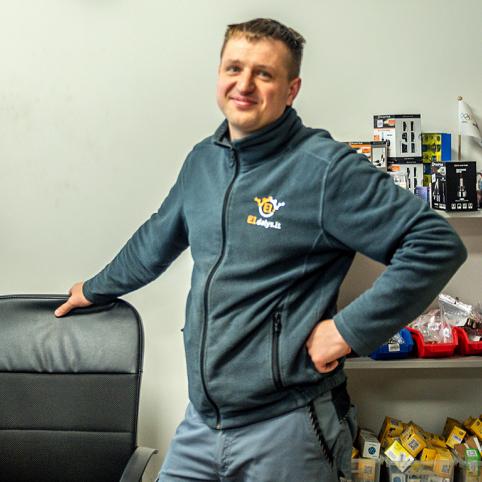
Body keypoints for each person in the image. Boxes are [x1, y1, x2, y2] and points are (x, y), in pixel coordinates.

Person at [55, 18, 467, 482]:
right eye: (234, 68)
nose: (244, 84)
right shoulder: (203, 161)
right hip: (202, 422)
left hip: (288, 426)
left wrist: (347, 331)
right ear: (219, 74)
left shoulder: (324, 168)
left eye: (264, 74)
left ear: (292, 90)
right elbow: (157, 238)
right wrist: (94, 288)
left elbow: (435, 243)